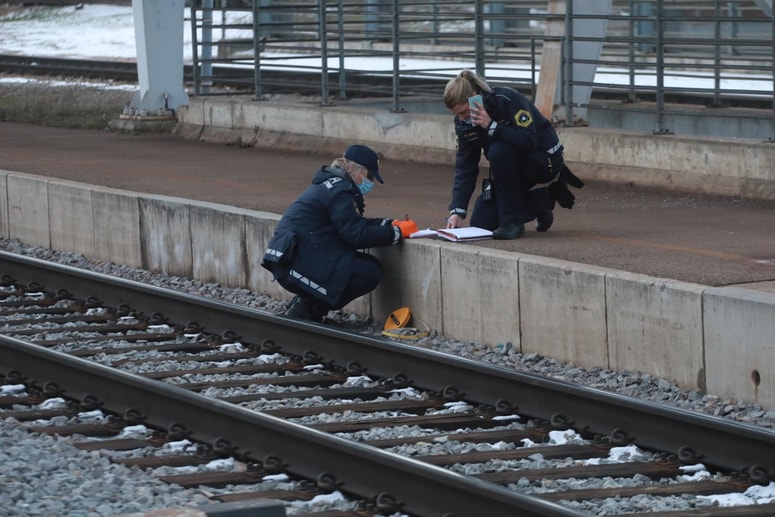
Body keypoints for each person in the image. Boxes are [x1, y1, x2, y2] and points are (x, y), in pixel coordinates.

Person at [261, 144, 418, 323]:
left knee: (358, 264)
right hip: (294, 259)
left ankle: (306, 306)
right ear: (351, 168)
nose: (370, 182)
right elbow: (355, 235)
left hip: (287, 257)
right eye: (369, 176)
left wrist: (389, 224)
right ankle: (308, 310)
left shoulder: (333, 185)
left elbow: (351, 223)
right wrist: (397, 232)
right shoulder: (340, 190)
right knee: (368, 271)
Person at [442, 69, 583, 239]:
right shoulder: (463, 123)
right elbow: (465, 166)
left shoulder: (506, 99)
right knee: (482, 222)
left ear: (474, 97)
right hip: (508, 171)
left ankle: (512, 222)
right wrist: (457, 211)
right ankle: (544, 200)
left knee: (499, 150)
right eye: (457, 114)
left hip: (544, 160)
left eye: (464, 112)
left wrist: (491, 126)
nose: (462, 118)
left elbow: (529, 140)